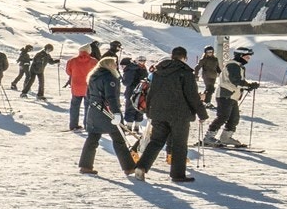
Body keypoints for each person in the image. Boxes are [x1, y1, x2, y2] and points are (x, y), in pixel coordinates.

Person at [132, 47, 208, 183]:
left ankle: (141, 167)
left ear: (171, 56)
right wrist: (202, 114)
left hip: (158, 113)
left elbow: (151, 93)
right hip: (179, 114)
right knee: (179, 144)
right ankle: (178, 175)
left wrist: (150, 111)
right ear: (184, 57)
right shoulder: (185, 73)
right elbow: (192, 96)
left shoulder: (158, 72)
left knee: (156, 141)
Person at [79, 55, 138, 176]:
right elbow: (111, 97)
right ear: (109, 65)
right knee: (118, 140)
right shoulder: (109, 77)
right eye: (114, 64)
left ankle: (85, 165)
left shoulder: (92, 76)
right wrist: (116, 112)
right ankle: (129, 167)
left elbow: (88, 96)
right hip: (107, 112)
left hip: (94, 110)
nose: (116, 66)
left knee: (92, 139)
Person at [204, 46, 258, 147]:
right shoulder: (233, 65)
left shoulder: (238, 66)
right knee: (223, 116)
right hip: (225, 95)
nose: (248, 60)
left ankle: (226, 137)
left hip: (232, 96)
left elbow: (235, 82)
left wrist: (246, 87)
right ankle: (208, 137)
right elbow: (235, 80)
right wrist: (248, 85)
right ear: (240, 56)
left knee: (234, 118)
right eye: (247, 57)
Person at [65, 45, 97, 131]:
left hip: (76, 86)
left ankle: (73, 125)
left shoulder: (72, 61)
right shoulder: (93, 61)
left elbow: (68, 71)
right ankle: (87, 125)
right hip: (88, 86)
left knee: (74, 106)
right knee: (88, 106)